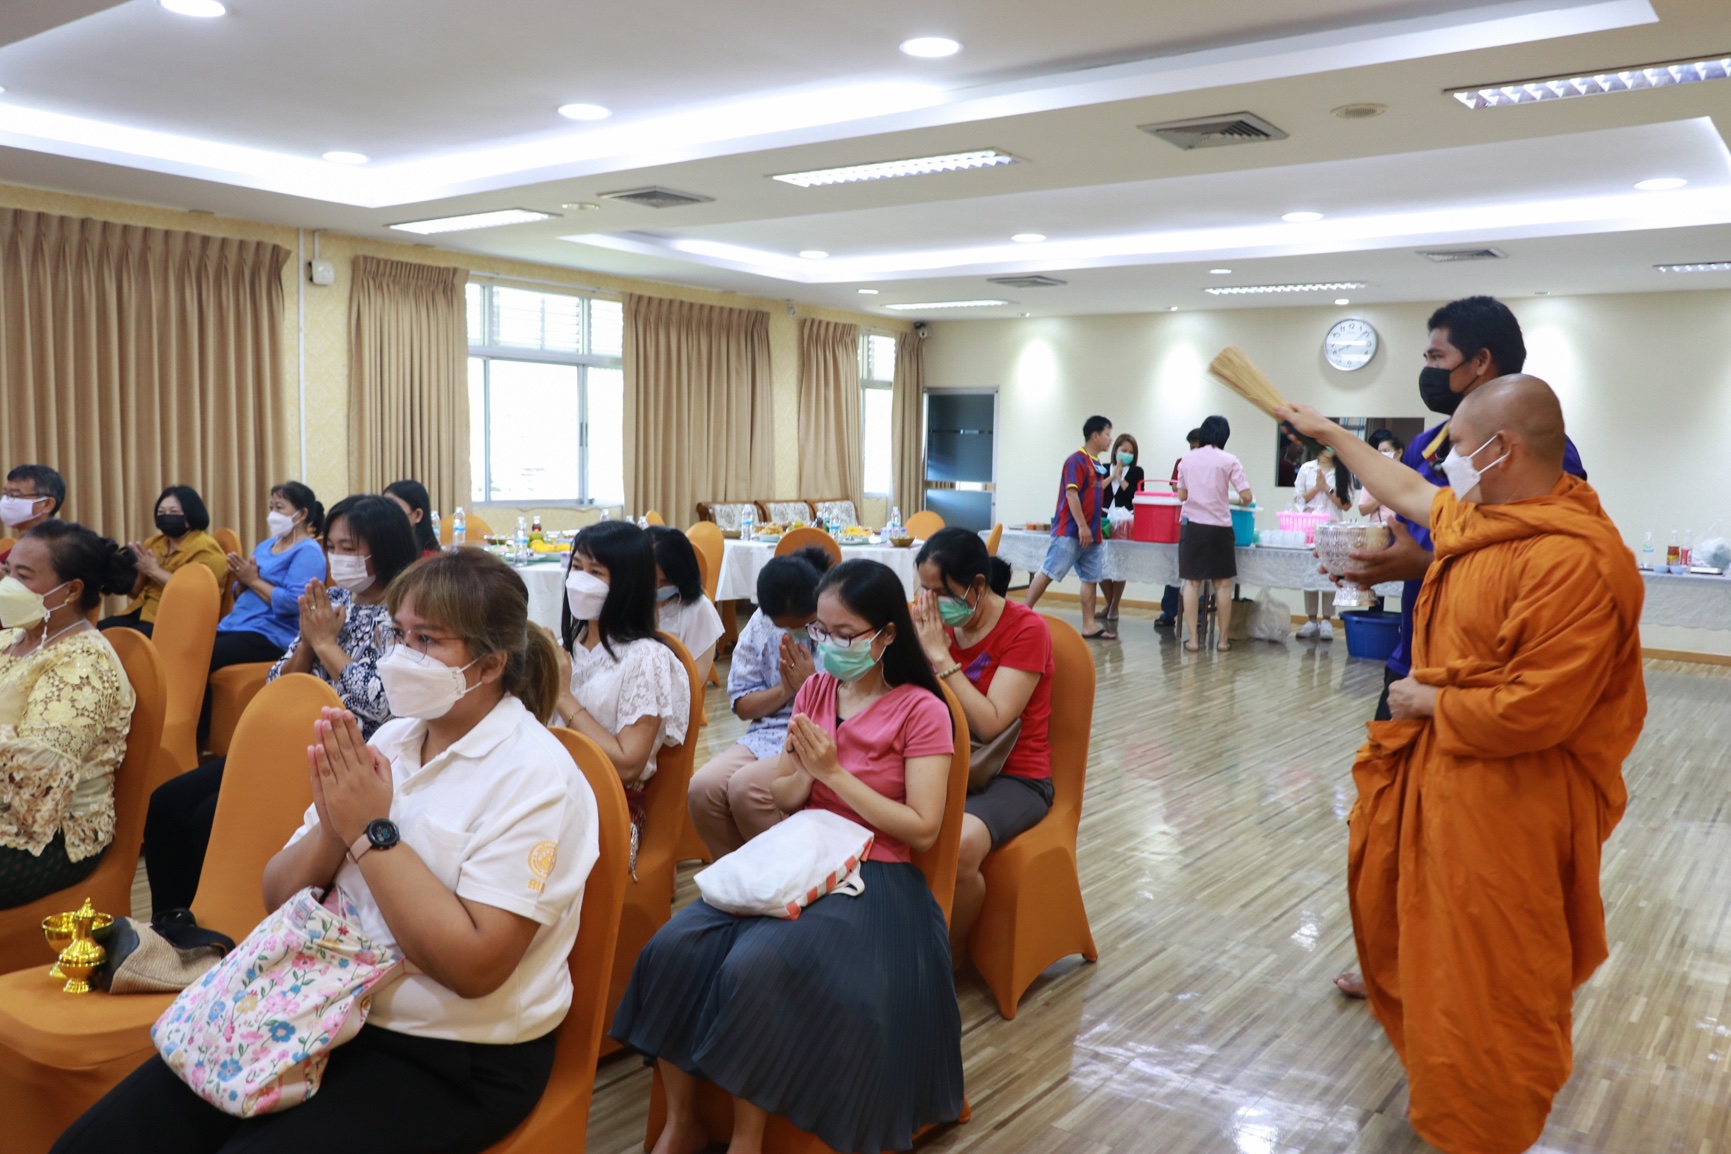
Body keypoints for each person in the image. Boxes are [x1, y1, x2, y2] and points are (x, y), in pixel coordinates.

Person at [54, 550, 598, 1154]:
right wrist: (334, 832)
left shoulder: (536, 778)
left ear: (490, 664)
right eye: (399, 634)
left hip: (451, 1051)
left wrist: (368, 831)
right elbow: (278, 894)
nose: (402, 655)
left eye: (427, 640)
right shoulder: (394, 738)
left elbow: (474, 967)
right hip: (314, 1000)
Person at [1276, 377, 1645, 1154]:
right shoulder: (1482, 517)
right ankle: (1445, 1105)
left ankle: (1486, 1129)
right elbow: (1406, 489)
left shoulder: (1571, 557)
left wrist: (1430, 701)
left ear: (1500, 450)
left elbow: (1540, 709)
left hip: (1508, 810)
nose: (1445, 465)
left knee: (1491, 979)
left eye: (1458, 448)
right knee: (1432, 963)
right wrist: (1328, 433)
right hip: (1440, 784)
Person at [612, 558, 963, 1154]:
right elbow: (782, 793)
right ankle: (682, 1121)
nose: (827, 645)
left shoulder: (921, 709)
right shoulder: (819, 689)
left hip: (876, 875)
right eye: (821, 631)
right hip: (804, 853)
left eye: (844, 634)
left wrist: (834, 772)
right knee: (674, 948)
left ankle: (747, 1140)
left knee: (755, 968)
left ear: (887, 634)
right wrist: (803, 774)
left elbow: (924, 829)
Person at [1330, 299, 1586, 1003]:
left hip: (1484, 680)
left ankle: (1464, 971)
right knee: (1390, 821)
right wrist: (1380, 561)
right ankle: (1393, 958)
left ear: (1480, 363)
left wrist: (1419, 562)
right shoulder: (1430, 445)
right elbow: (1421, 521)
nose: (1426, 368)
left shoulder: (1545, 459)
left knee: (1473, 841)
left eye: (1436, 357)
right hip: (1414, 657)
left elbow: (1519, 563)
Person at [143, 495, 420, 914]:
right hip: (288, 739)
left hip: (344, 754)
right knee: (166, 803)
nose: (337, 557)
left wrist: (325, 645)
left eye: (349, 548)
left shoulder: (404, 617)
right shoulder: (331, 600)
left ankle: (215, 926)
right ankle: (170, 930)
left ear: (384, 548)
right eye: (332, 546)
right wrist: (308, 643)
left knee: (209, 818)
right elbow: (278, 683)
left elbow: (384, 705)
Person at [912, 528, 1054, 960]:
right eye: (924, 590)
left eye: (941, 592)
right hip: (945, 762)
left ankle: (949, 957)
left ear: (977, 584)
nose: (930, 603)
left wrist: (940, 658)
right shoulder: (932, 624)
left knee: (958, 848)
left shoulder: (1026, 629)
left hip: (1014, 776)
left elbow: (992, 724)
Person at [0, 522, 137, 908]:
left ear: (72, 590)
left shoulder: (84, 664)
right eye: (7, 571)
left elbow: (35, 787)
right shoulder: (12, 637)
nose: (8, 584)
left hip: (50, 836)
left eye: (23, 576)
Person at [552, 521, 691, 868]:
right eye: (577, 567)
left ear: (627, 583)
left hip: (610, 807)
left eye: (596, 572)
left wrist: (562, 696)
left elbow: (628, 765)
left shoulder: (646, 658)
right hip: (554, 788)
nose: (580, 580)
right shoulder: (568, 645)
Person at [686, 547, 828, 860]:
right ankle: (737, 871)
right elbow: (743, 705)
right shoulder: (762, 623)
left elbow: (851, 703)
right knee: (702, 789)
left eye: (802, 625)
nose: (792, 632)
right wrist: (786, 690)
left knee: (744, 788)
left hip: (820, 735)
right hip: (768, 733)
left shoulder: (838, 624)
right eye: (783, 625)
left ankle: (788, 872)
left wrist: (809, 685)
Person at [210, 481, 327, 672]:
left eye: (279, 508)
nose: (273, 514)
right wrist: (242, 580)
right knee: (185, 649)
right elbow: (239, 592)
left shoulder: (308, 551)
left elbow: (295, 602)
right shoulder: (266, 545)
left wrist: (253, 580)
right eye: (271, 508)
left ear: (302, 514)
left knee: (202, 658)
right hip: (236, 625)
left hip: (271, 634)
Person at [1023, 416, 1115, 641]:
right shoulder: (1076, 461)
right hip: (1071, 531)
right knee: (1049, 572)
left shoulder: (1096, 464)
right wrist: (1082, 526)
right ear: (1095, 436)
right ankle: (1022, 614)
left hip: (1092, 534)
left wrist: (1115, 474)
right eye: (1107, 434)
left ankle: (1089, 625)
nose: (1110, 439)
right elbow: (1071, 494)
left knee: (1091, 579)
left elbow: (1095, 490)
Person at [98, 485, 227, 637]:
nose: (166, 516)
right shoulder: (154, 543)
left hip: (175, 620)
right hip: (142, 611)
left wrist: (154, 571)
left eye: (174, 512)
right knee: (92, 633)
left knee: (121, 642)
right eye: (161, 512)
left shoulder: (207, 550)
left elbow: (197, 595)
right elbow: (136, 592)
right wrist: (140, 571)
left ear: (191, 515)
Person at [1174, 416, 1252, 653]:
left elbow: (1182, 496)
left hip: (1193, 526)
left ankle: (1193, 640)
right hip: (1220, 527)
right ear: (1224, 436)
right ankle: (1223, 641)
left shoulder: (1186, 460)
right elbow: (1246, 496)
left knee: (1191, 583)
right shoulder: (1229, 460)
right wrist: (1238, 500)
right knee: (1223, 585)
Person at [647, 525, 725, 683]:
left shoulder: (698, 610)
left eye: (665, 582)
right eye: (649, 579)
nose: (657, 588)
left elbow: (695, 680)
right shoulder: (633, 599)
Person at [1292, 447, 1352, 641]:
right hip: (1309, 529)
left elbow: (1346, 504)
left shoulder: (1343, 470)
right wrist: (1317, 488)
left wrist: (1326, 487)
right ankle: (1311, 619)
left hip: (1333, 529)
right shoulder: (1306, 468)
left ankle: (1327, 620)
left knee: (1330, 573)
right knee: (1310, 573)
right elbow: (1298, 498)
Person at [1155, 429, 1203, 629]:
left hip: (1203, 520)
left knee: (1199, 571)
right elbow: (1176, 488)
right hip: (1182, 518)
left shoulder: (1212, 464)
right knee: (1175, 567)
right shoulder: (1182, 462)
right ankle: (1169, 611)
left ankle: (1199, 614)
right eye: (1191, 447)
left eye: (1197, 447)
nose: (1194, 450)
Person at [1098, 433, 1143, 623]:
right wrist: (1112, 476)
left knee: (1119, 564)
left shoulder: (1136, 471)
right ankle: (1110, 603)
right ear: (1116, 450)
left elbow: (1136, 494)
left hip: (1125, 520)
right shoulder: (1103, 467)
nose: (1127, 454)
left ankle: (1114, 606)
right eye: (1124, 450)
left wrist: (1121, 479)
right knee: (1100, 563)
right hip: (1104, 518)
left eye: (1131, 452)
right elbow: (1097, 488)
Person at [0, 464, 66, 568]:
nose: (5, 501)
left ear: (47, 504)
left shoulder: (60, 554)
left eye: (14, 495)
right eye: (5, 494)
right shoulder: (8, 553)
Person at [385, 479, 442, 559]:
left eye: (394, 510)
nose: (386, 516)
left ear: (417, 515)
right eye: (383, 509)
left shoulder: (430, 560)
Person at [1358, 432, 1406, 526]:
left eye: (1385, 451)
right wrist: (1383, 496)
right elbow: (1363, 510)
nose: (1382, 455)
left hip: (1403, 529)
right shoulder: (1373, 477)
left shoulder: (1409, 476)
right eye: (1379, 452)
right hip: (1378, 529)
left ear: (1399, 453)